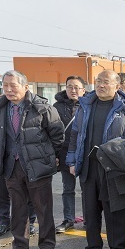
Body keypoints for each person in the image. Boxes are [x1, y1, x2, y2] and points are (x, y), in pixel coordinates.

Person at [66, 70, 125, 249]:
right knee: (90, 213)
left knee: (114, 212)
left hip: (113, 169)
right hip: (88, 168)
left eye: (106, 82)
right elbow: (75, 135)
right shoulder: (85, 106)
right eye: (98, 81)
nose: (101, 85)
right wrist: (72, 161)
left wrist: (115, 150)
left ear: (117, 86)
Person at [0, 70, 64, 249]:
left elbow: (57, 134)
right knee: (18, 209)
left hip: (37, 167)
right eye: (5, 86)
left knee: (43, 208)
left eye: (13, 85)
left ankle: (47, 247)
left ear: (25, 87)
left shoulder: (41, 107)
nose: (9, 90)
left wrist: (49, 156)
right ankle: (20, 246)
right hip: (11, 167)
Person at [53, 76, 87, 233]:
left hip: (86, 154)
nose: (73, 90)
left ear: (83, 90)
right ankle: (68, 219)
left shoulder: (90, 105)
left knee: (88, 189)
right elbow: (52, 132)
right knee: (68, 188)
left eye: (77, 87)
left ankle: (89, 218)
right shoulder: (56, 107)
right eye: (70, 87)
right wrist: (55, 154)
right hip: (66, 154)